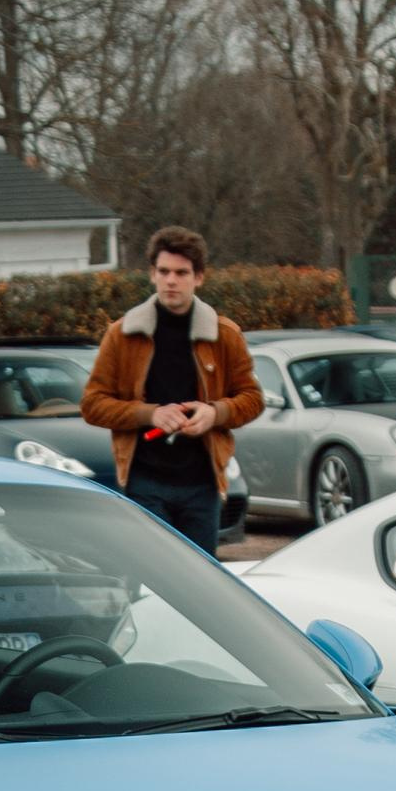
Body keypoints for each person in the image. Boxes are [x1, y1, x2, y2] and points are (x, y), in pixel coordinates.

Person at [79, 226, 264, 555]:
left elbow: (252, 400)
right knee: (150, 580)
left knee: (201, 582)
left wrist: (214, 413)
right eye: (163, 272)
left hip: (202, 483)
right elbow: (92, 405)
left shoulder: (224, 335)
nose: (171, 281)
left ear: (199, 278)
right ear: (152, 275)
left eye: (181, 273)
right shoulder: (123, 335)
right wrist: (150, 414)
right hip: (145, 481)